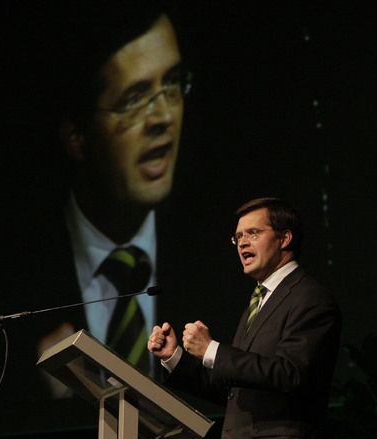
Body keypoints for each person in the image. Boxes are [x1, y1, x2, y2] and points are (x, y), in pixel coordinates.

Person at [29, 2, 191, 396]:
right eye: (133, 98)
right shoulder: (18, 270)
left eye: (171, 84)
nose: (162, 117)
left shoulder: (220, 257)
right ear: (76, 138)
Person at [147, 197, 341, 438]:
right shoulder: (259, 300)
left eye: (253, 233)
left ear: (285, 238)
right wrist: (174, 357)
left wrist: (211, 350)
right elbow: (235, 391)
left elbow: (290, 374)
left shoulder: (310, 297)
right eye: (238, 237)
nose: (242, 244)